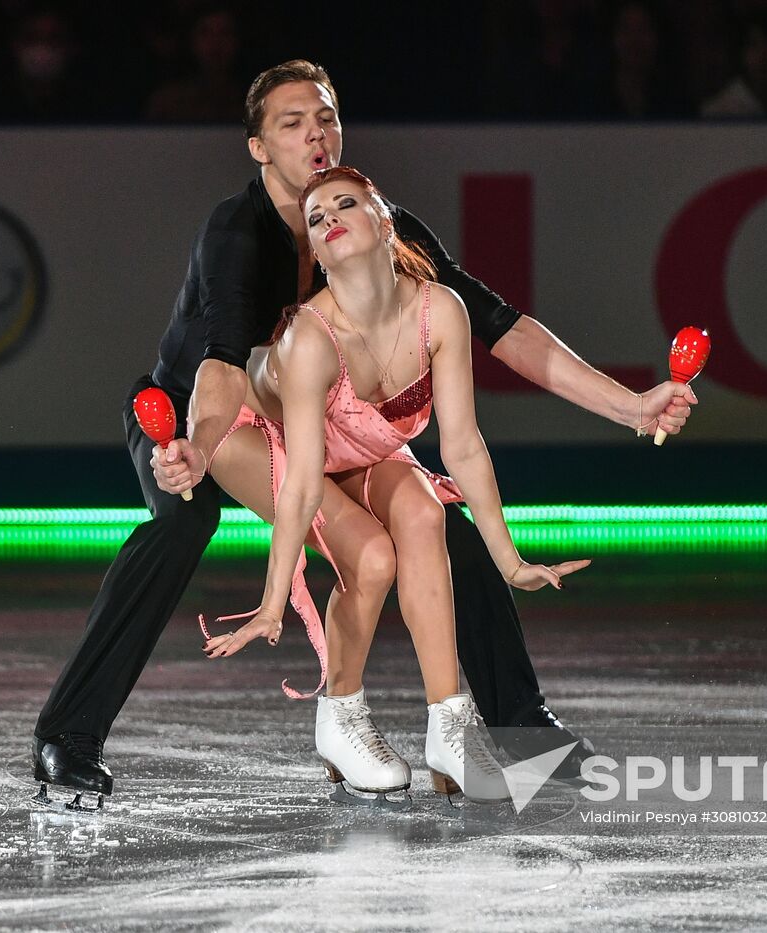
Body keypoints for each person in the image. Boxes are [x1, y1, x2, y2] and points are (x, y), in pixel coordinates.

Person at [31, 59, 696, 808]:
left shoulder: (376, 225)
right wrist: (194, 448)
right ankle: (69, 734)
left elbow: (501, 326)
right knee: (183, 522)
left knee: (437, 521)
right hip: (200, 416)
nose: (315, 135)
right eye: (292, 124)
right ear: (259, 147)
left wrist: (632, 407)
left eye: (326, 119)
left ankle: (517, 728)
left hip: (321, 421)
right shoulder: (236, 232)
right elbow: (221, 363)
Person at [196, 166, 590, 799]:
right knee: (373, 557)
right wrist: (273, 600)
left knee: (425, 513)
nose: (329, 219)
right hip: (259, 436)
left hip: (354, 440)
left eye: (345, 204)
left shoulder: (441, 310)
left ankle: (450, 731)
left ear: (385, 222)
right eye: (316, 218)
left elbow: (463, 446)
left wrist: (511, 561)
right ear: (317, 254)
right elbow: (302, 484)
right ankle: (341, 718)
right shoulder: (309, 338)